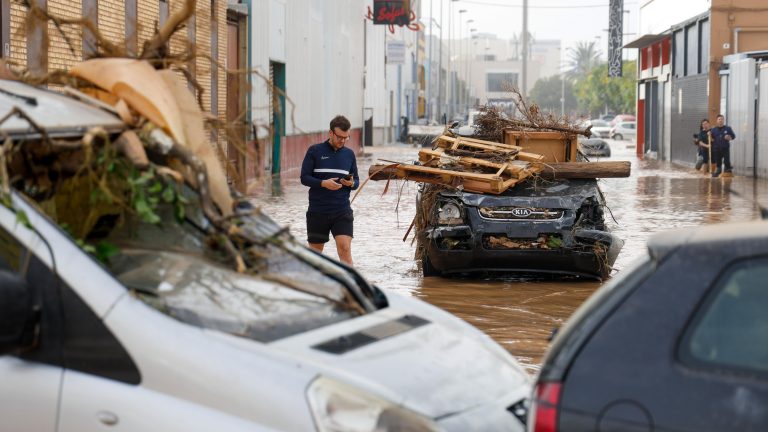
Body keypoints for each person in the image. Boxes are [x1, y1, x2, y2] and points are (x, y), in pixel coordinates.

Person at [300, 115, 359, 265]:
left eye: (346, 137)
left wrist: (351, 183)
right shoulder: (314, 151)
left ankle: (349, 280)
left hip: (342, 211)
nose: (343, 141)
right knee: (315, 255)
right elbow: (304, 178)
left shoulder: (349, 154)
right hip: (318, 211)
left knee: (345, 248)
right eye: (340, 137)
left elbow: (356, 182)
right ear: (331, 133)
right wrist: (322, 183)